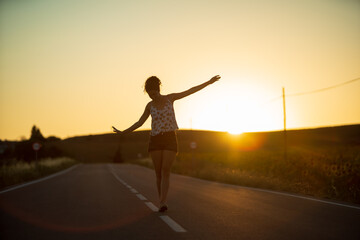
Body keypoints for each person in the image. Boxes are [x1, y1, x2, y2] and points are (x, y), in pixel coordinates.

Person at [112, 75, 220, 212]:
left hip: (170, 139)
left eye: (154, 93)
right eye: (150, 95)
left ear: (158, 89)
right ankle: (161, 201)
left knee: (165, 170)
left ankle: (163, 202)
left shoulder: (171, 98)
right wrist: (123, 132)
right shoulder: (149, 106)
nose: (153, 97)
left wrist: (208, 82)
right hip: (155, 140)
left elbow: (190, 91)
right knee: (158, 173)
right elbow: (139, 122)